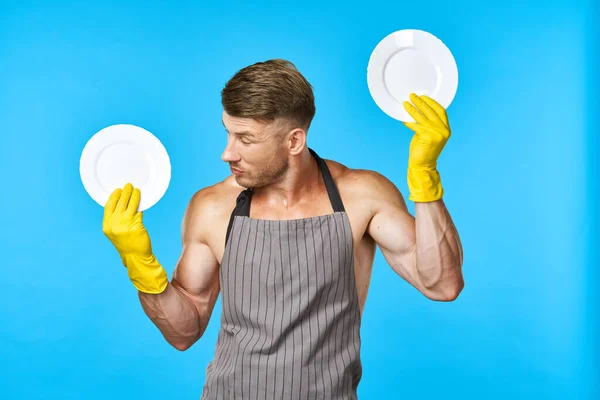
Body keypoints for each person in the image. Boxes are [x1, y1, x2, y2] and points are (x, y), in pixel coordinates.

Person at [102, 58, 464, 399]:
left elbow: (442, 283)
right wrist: (139, 263)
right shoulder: (212, 208)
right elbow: (184, 332)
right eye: (228, 133)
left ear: (293, 141)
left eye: (245, 139)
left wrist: (425, 180)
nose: (227, 153)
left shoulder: (361, 196)